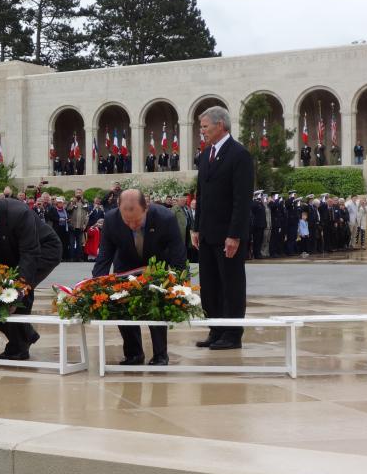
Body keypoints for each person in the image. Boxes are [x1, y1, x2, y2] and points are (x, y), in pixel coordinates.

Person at [0, 190, 62, 360]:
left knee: (17, 292)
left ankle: (19, 346)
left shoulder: (19, 213)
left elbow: (30, 254)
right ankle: (24, 336)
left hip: (43, 250)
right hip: (10, 255)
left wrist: (18, 290)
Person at [93, 189, 187, 365]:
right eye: (127, 221)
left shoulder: (165, 218)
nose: (132, 226)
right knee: (121, 304)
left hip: (156, 267)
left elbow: (178, 254)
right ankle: (133, 354)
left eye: (136, 221)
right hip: (125, 266)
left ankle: (160, 355)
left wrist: (181, 286)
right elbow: (104, 255)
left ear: (146, 208)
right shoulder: (111, 220)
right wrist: (97, 284)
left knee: (156, 303)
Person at [191, 106, 254, 351]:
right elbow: (201, 195)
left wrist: (234, 235)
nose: (202, 131)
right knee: (210, 286)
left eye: (205, 126)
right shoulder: (206, 155)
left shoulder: (239, 155)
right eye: (201, 127)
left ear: (221, 125)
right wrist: (196, 228)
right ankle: (215, 329)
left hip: (228, 235)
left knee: (231, 285)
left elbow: (241, 199)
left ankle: (232, 333)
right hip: (207, 234)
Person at [66, 189, 89, 262]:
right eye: (77, 193)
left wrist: (85, 224)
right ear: (75, 194)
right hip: (72, 226)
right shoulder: (71, 201)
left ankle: (79, 258)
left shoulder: (85, 202)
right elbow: (68, 210)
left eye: (80, 192)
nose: (78, 194)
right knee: (72, 243)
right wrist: (73, 203)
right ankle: (71, 258)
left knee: (79, 243)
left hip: (81, 226)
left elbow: (87, 214)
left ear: (82, 194)